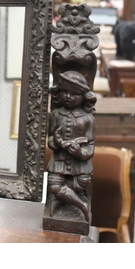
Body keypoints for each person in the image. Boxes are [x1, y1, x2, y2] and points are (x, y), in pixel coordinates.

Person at [47, 70, 96, 222]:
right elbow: (49, 140)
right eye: (64, 92)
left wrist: (80, 153)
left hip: (79, 165)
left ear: (83, 97)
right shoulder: (55, 114)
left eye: (74, 94)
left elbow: (91, 145)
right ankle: (82, 205)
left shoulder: (88, 119)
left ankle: (62, 199)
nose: (67, 97)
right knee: (53, 185)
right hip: (59, 161)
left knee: (83, 183)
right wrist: (56, 142)